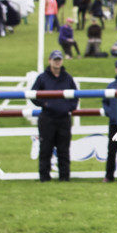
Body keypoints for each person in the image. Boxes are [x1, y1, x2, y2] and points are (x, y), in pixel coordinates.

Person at [31, 50, 79, 181]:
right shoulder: (42, 78)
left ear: (62, 61)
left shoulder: (67, 78)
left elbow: (75, 96)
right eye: (55, 59)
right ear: (50, 61)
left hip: (64, 118)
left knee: (64, 149)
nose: (57, 62)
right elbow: (33, 95)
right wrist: (45, 104)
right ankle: (44, 177)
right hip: (47, 118)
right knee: (45, 148)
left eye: (59, 59)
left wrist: (69, 107)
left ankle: (64, 177)